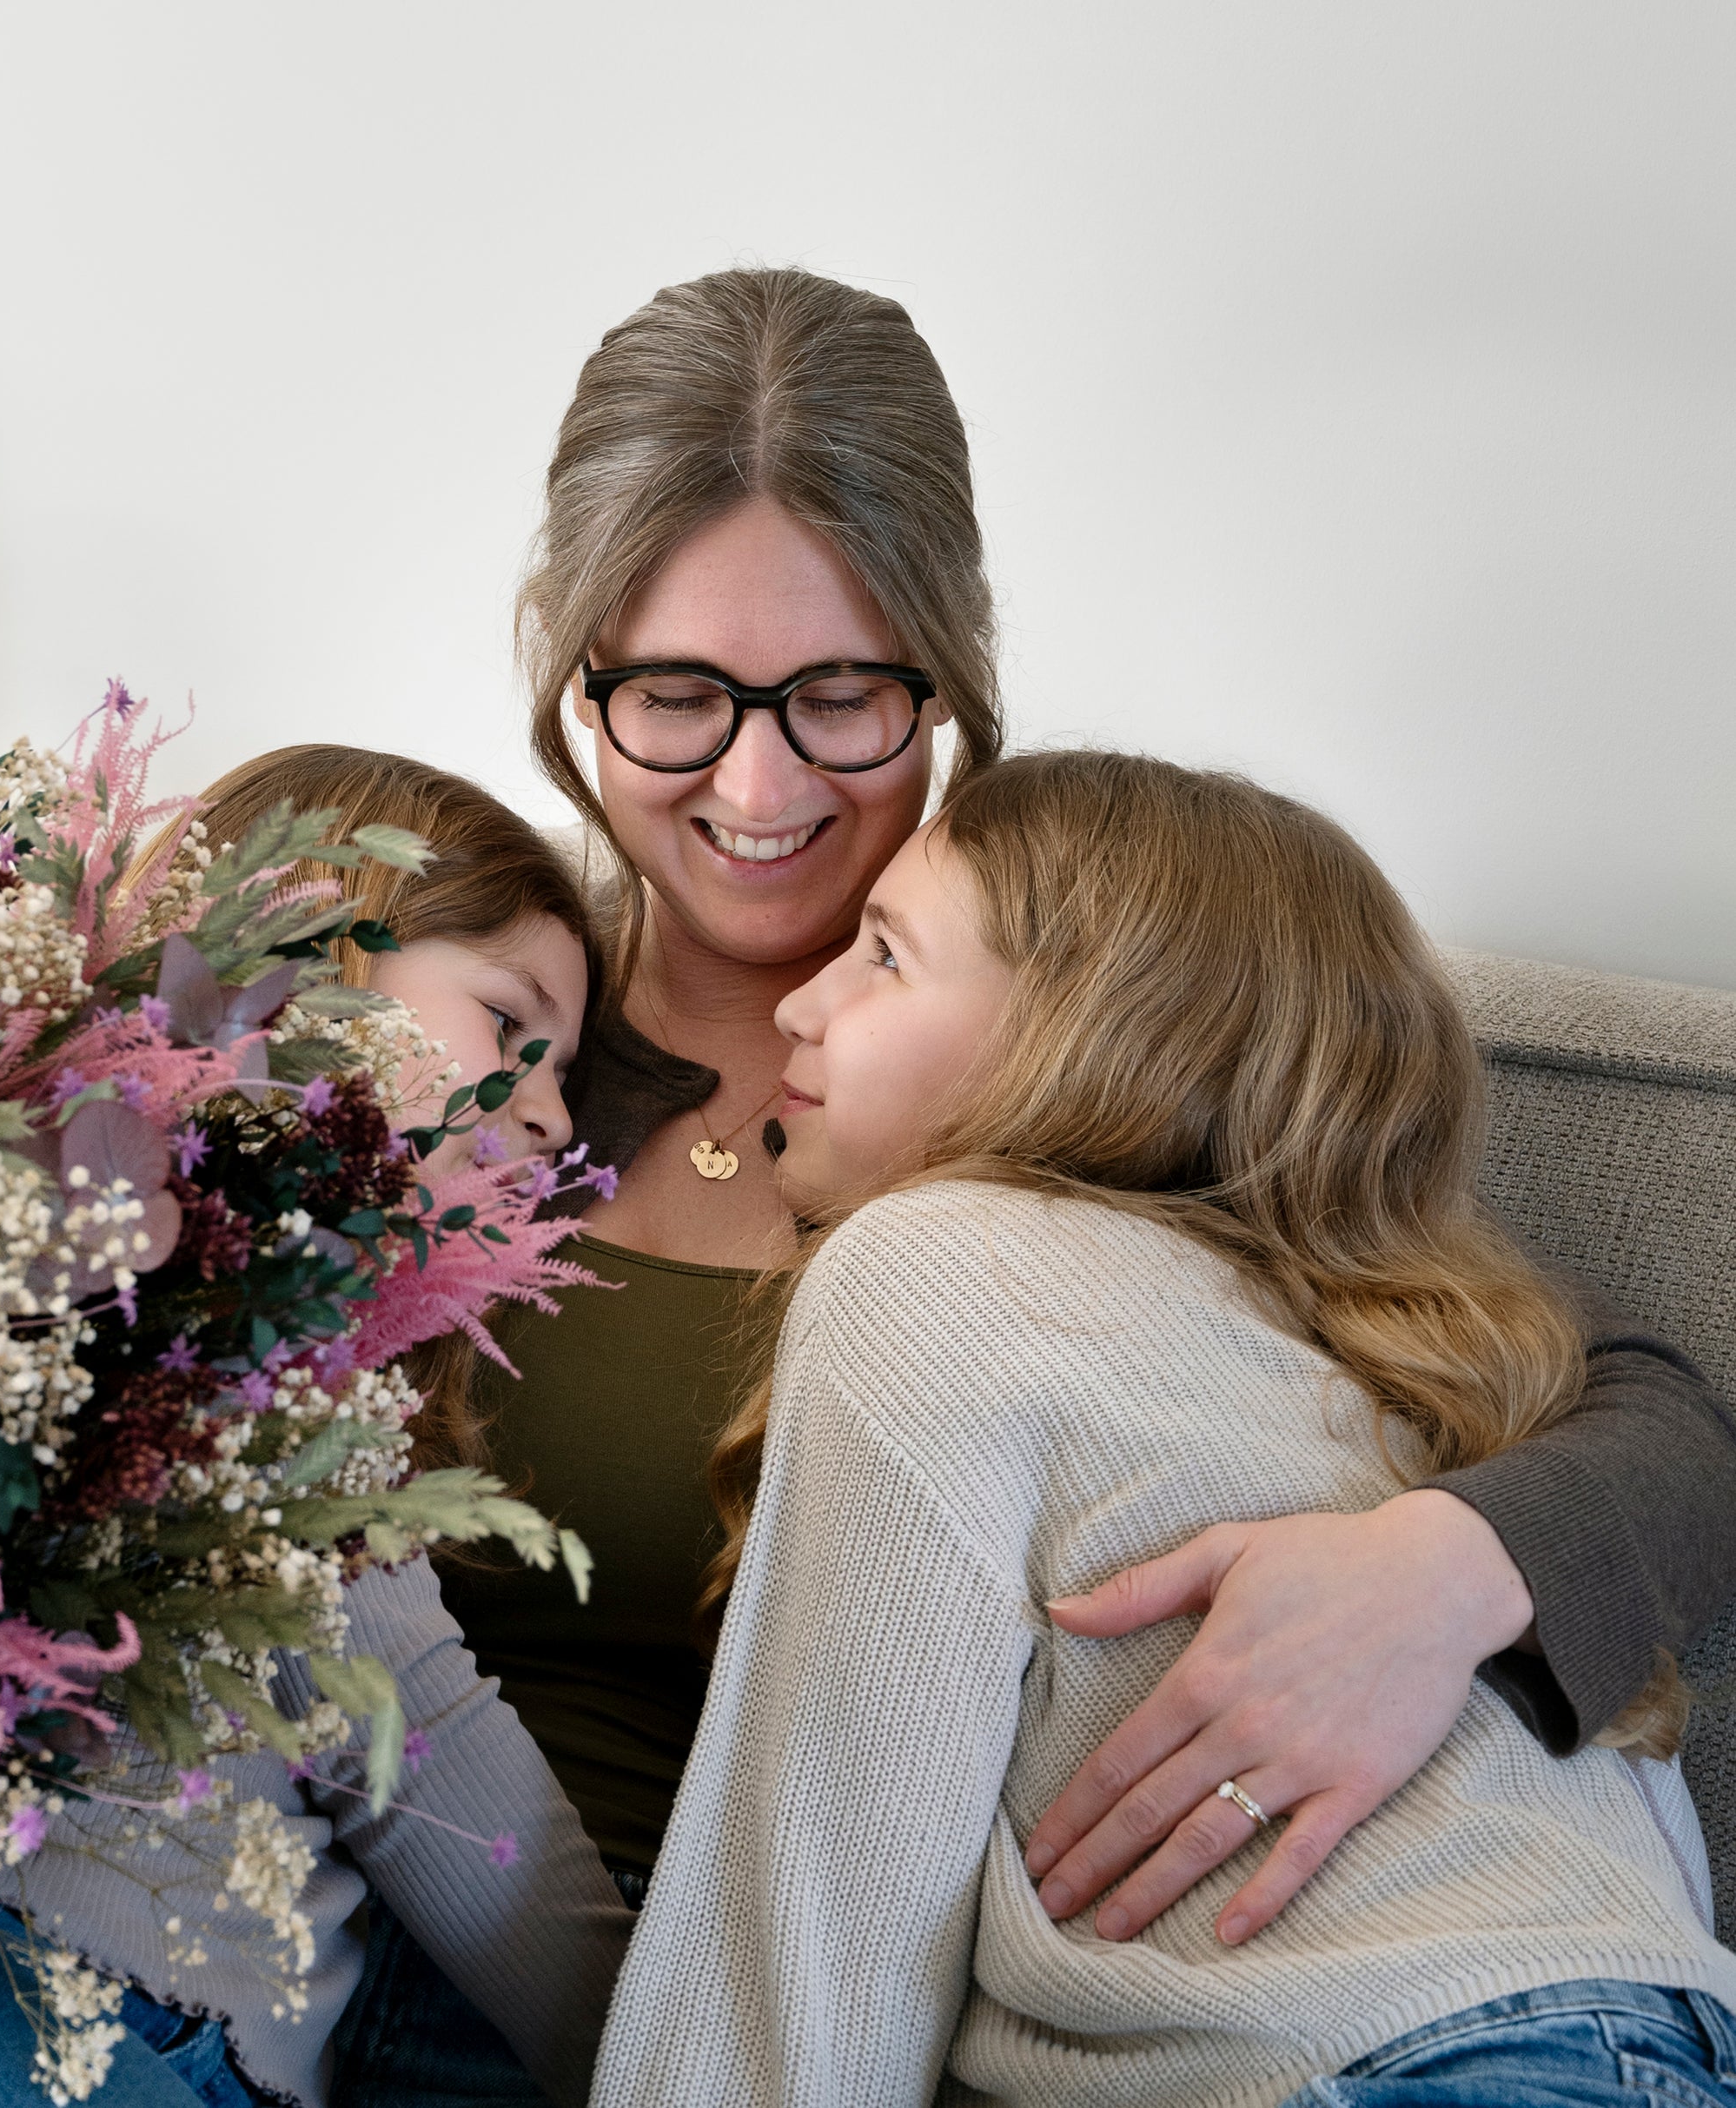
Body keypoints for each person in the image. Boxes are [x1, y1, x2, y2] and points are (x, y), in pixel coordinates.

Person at [341, 264, 1736, 2099]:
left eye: (839, 693)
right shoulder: (478, 1056)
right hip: (433, 1975)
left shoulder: (1085, 1067)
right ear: (573, 676)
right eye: (676, 693)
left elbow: (1589, 1386)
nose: (757, 780)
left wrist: (1446, 1565)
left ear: (944, 675)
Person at [592, 750, 1735, 2106]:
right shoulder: (1420, 1350)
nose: (799, 1002)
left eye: (885, 956)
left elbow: (824, 1906)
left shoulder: (934, 1256)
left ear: (1095, 1038)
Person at [0, 748, 633, 2108]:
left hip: (98, 2016)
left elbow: (432, 1760)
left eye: (560, 1068)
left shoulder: (284, 1378)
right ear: (322, 945)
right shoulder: (47, 1251)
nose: (550, 1110)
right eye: (510, 1025)